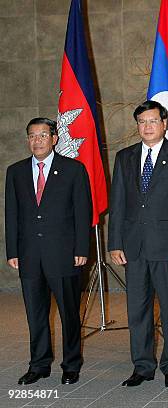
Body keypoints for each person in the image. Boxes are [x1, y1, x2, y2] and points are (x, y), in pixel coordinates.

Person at [108, 100, 168, 388]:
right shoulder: (124, 157)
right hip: (133, 248)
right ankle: (142, 366)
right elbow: (118, 203)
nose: (147, 126)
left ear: (165, 123)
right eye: (142, 122)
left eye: (153, 121)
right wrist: (115, 242)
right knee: (137, 311)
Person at [5, 117, 92, 385]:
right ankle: (39, 364)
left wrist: (81, 248)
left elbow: (82, 212)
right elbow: (12, 214)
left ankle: (71, 364)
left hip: (65, 255)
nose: (37, 140)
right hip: (30, 255)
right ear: (28, 139)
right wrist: (12, 250)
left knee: (69, 313)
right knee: (36, 313)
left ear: (54, 139)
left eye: (43, 135)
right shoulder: (16, 171)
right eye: (32, 136)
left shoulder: (74, 169)